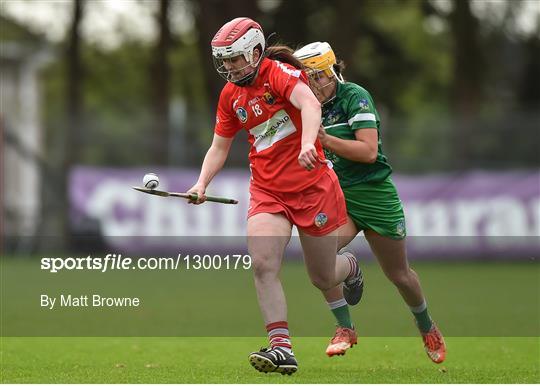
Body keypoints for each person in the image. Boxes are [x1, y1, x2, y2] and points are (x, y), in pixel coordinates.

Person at [187, 19, 363, 375]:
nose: (229, 67)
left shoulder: (280, 73)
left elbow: (310, 106)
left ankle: (351, 267)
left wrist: (306, 144)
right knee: (263, 264)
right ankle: (281, 347)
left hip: (313, 189)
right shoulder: (230, 95)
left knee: (322, 276)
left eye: (234, 59)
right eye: (223, 61)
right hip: (268, 191)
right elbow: (219, 147)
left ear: (254, 52)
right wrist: (201, 183)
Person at [294, 42, 447, 364]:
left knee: (399, 274)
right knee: (320, 265)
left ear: (333, 71)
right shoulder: (306, 105)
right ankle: (344, 327)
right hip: (337, 196)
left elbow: (368, 152)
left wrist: (324, 139)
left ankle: (426, 326)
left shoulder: (354, 96)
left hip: (374, 193)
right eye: (308, 78)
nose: (315, 84)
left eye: (320, 76)